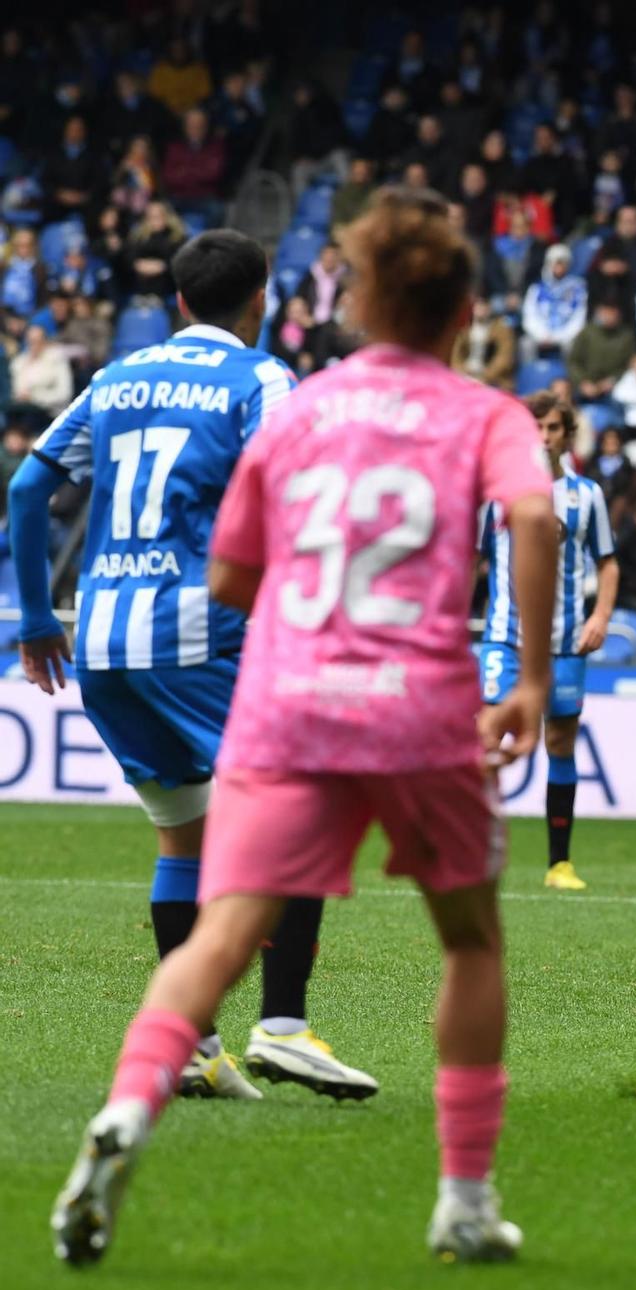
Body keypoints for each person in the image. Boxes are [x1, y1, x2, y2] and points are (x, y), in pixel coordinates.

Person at [51, 187, 559, 1267]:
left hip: (287, 702)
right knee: (469, 942)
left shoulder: (304, 404)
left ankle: (131, 1109)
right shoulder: (486, 413)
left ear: (362, 297)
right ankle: (463, 1200)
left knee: (225, 929)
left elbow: (234, 572)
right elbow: (535, 513)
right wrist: (530, 677)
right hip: (419, 706)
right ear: (465, 309)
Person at [10, 229, 376, 1104]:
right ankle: (282, 1027)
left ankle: (193, 1047)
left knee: (184, 833)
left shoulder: (113, 377)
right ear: (260, 299)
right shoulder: (261, 379)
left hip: (100, 642)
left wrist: (32, 614)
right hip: (200, 636)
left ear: (177, 302)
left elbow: (28, 488)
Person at [477, 392, 616, 893]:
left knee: (559, 741)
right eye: (534, 426)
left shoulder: (587, 496)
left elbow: (608, 561)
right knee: (489, 735)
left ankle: (559, 864)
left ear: (566, 435)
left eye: (552, 428)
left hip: (565, 641)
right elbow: (470, 559)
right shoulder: (494, 492)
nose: (542, 436)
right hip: (504, 636)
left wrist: (599, 614)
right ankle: (477, 854)